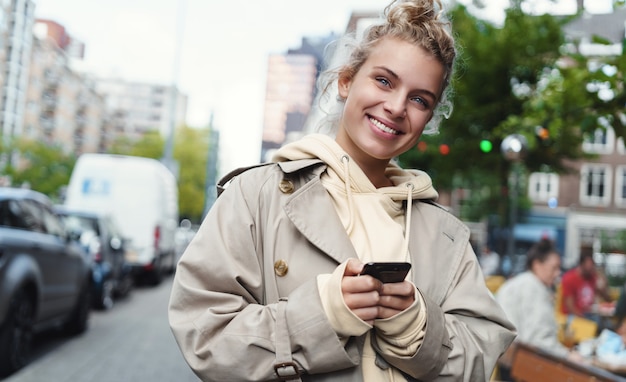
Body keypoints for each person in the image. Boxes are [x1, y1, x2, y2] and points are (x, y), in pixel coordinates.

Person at [168, 0, 516, 380]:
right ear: (346, 79)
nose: (397, 107)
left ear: (428, 118)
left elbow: (483, 352)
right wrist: (320, 315)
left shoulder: (445, 234)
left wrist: (419, 327)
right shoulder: (257, 195)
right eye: (384, 80)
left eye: (419, 99)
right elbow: (203, 334)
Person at [495, 238, 586, 379]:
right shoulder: (533, 287)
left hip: (506, 361)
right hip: (519, 366)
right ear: (537, 265)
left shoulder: (521, 283)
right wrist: (568, 355)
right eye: (554, 268)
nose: (557, 274)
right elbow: (538, 340)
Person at [560, 251, 612, 326]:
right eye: (589, 266)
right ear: (581, 264)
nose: (591, 268)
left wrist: (602, 283)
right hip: (573, 316)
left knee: (608, 325)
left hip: (590, 314)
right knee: (599, 324)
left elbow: (606, 298)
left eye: (592, 266)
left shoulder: (592, 278)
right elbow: (569, 306)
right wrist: (584, 319)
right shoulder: (569, 278)